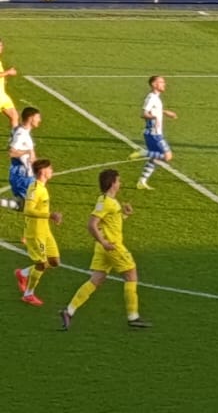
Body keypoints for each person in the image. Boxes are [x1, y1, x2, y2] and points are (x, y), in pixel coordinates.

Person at [60, 168, 152, 330]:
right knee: (131, 275)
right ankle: (133, 316)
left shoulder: (103, 200)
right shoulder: (108, 203)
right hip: (112, 246)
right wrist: (104, 242)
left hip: (103, 248)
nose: (120, 183)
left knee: (96, 280)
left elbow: (109, 222)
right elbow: (91, 224)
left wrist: (125, 215)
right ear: (112, 184)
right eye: (118, 181)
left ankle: (69, 311)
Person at [15, 158, 58, 306]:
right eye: (50, 168)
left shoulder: (42, 187)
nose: (52, 170)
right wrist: (50, 215)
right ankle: (28, 294)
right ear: (42, 172)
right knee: (41, 264)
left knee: (54, 261)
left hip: (45, 231)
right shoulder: (35, 189)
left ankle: (23, 273)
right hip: (35, 233)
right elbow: (28, 210)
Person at [133, 75, 176, 191]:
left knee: (155, 158)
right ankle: (143, 152)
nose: (164, 84)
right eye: (161, 82)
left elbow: (155, 110)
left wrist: (165, 112)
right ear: (154, 84)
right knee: (168, 156)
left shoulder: (156, 98)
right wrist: (155, 118)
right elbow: (143, 113)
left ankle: (141, 182)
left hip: (153, 133)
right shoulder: (151, 97)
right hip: (154, 134)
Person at [8, 104, 40, 211]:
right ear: (31, 118)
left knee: (25, 206)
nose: (39, 120)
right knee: (31, 207)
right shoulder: (21, 134)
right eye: (37, 117)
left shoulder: (22, 131)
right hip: (22, 176)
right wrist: (28, 151)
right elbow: (12, 152)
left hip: (26, 174)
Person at [0, 38, 18, 128]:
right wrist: (8, 72)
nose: (1, 48)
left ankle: (15, 141)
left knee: (14, 116)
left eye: (1, 45)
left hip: (2, 96)